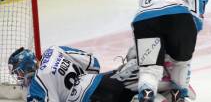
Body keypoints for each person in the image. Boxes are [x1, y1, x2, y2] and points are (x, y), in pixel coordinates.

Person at [131, 0, 208, 102]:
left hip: (143, 19)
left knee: (149, 69)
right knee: (181, 63)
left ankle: (146, 97)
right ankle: (180, 95)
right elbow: (196, 19)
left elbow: (148, 5)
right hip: (177, 15)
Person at [7, 45, 136, 102]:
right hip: (109, 82)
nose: (19, 77)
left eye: (18, 73)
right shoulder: (54, 50)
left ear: (26, 66)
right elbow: (94, 64)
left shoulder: (36, 87)